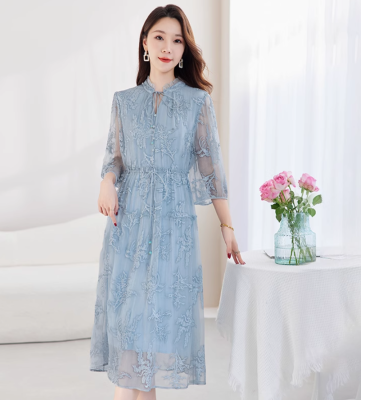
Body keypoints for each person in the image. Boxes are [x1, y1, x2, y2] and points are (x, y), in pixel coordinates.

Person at [90, 4, 245, 400]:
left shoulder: (197, 102)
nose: (167, 47)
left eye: (177, 41)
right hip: (129, 226)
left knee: (151, 339)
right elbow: (115, 159)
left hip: (174, 229)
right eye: (159, 37)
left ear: (183, 50)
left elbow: (212, 170)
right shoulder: (123, 101)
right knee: (131, 334)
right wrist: (107, 182)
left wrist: (227, 227)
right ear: (145, 43)